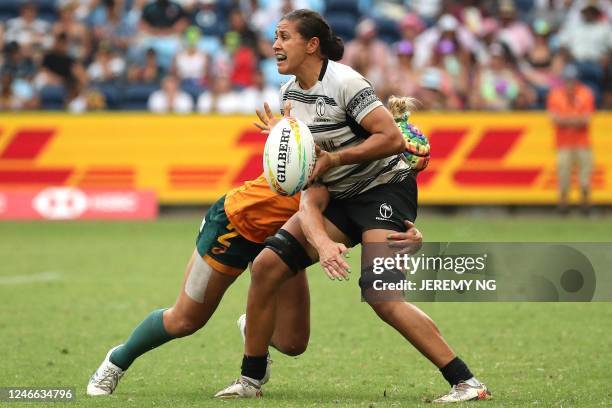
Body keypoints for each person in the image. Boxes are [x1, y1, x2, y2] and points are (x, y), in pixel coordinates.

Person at [214, 9, 490, 404]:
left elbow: (392, 138)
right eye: (275, 36)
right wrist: (322, 240)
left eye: (284, 36)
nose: (275, 44)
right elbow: (311, 187)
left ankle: (467, 382)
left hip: (384, 189)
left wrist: (334, 160)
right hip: (338, 195)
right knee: (266, 265)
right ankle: (250, 378)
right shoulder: (289, 96)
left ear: (312, 45)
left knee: (382, 296)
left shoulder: (346, 82)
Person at [86, 145, 424, 395]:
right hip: (236, 227)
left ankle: (254, 330)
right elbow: (310, 196)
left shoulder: (371, 184)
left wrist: (408, 234)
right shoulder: (335, 149)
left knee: (293, 344)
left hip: (283, 244)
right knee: (186, 319)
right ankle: (116, 361)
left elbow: (370, 220)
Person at [546, 64, 596, 215]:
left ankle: (585, 206)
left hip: (582, 143)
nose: (570, 83)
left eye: (572, 80)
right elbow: (554, 119)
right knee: (563, 176)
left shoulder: (586, 93)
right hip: (564, 143)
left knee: (585, 178)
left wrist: (565, 120)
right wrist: (575, 120)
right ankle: (563, 206)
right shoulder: (555, 95)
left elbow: (586, 120)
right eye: (568, 80)